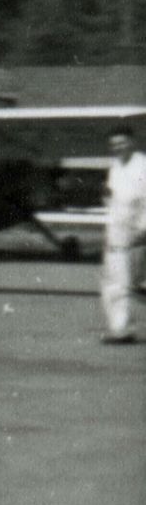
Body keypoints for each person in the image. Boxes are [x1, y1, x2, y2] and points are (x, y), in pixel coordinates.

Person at [102, 121, 146, 345]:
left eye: (122, 142)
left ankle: (123, 327)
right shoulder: (115, 166)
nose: (118, 147)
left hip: (138, 232)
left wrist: (143, 229)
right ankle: (121, 329)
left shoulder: (142, 166)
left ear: (132, 142)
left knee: (137, 284)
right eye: (114, 144)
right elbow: (113, 197)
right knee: (115, 281)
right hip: (116, 231)